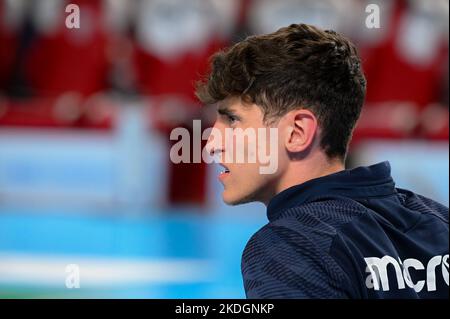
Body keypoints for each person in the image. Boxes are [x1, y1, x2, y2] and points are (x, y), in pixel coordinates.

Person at [195, 23, 449, 299]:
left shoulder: (289, 248)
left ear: (297, 132)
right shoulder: (440, 222)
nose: (211, 145)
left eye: (232, 119)